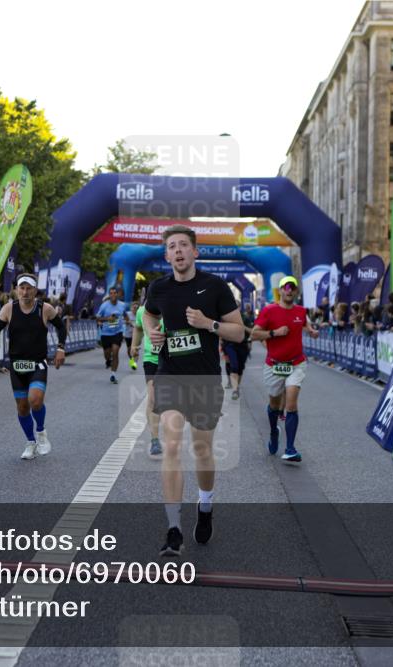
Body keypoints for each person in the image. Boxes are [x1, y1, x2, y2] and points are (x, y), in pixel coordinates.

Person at [142, 225, 245, 557]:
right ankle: (173, 529)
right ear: (167, 255)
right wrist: (153, 333)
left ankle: (205, 504)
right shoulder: (158, 288)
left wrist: (208, 324)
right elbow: (147, 314)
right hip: (170, 374)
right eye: (172, 246)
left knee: (202, 450)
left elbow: (239, 333)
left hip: (204, 380)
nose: (178, 251)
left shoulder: (215, 287)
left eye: (184, 245)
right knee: (171, 445)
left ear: (195, 252)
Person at [0, 274, 67, 460]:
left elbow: (61, 327)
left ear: (35, 290)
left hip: (38, 362)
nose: (25, 292)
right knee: (22, 408)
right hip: (17, 365)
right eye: (21, 288)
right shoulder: (9, 308)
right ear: (16, 290)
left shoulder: (44, 309)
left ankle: (41, 432)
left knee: (35, 400)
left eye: (29, 288)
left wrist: (61, 348)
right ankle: (30, 442)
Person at [251, 276, 318, 465]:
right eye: (286, 287)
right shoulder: (269, 311)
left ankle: (290, 449)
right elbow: (254, 334)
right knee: (274, 403)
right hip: (274, 365)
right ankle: (274, 432)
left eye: (293, 287)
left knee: (291, 404)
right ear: (280, 290)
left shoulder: (300, 311)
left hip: (296, 363)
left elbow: (304, 323)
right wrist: (274, 333)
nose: (289, 290)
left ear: (296, 291)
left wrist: (311, 331)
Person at [130, 304, 163, 459]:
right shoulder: (142, 311)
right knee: (154, 398)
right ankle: (155, 439)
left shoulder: (174, 305)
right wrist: (134, 345)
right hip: (152, 359)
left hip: (173, 358)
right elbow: (137, 328)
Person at [96, 287, 128, 384]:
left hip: (117, 332)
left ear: (118, 294)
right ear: (109, 295)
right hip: (106, 333)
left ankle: (113, 375)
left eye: (115, 293)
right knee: (107, 353)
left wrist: (127, 321)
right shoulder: (104, 306)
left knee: (115, 352)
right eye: (111, 293)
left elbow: (125, 314)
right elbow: (97, 318)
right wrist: (107, 319)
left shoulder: (122, 305)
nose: (113, 295)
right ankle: (107, 360)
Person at [224, 300, 254, 400]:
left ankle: (236, 387)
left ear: (239, 307)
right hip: (229, 344)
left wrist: (242, 326)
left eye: (236, 306)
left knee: (240, 368)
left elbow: (251, 331)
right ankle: (235, 390)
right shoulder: (225, 317)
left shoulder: (245, 317)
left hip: (242, 345)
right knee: (234, 366)